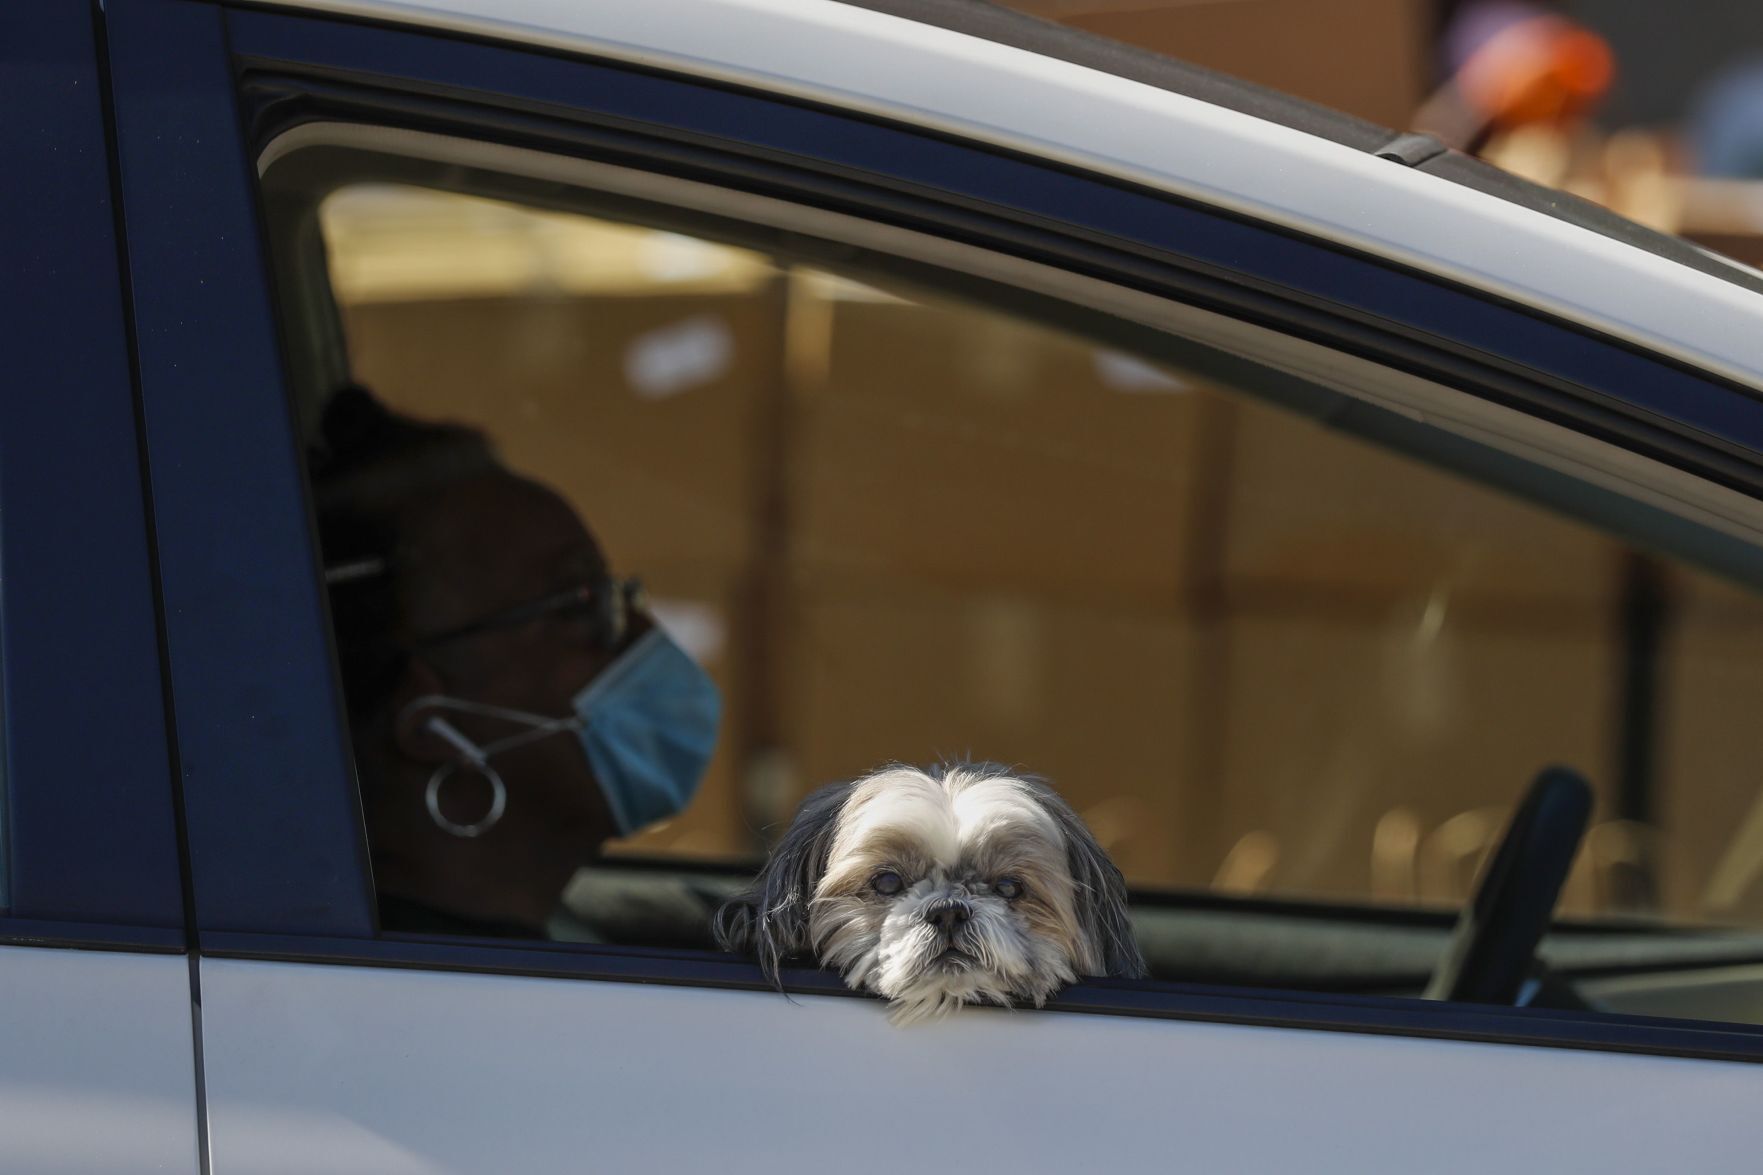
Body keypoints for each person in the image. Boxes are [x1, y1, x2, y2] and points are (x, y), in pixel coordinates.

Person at [312, 386, 720, 938]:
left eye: (616, 595)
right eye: (578, 604)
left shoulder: (551, 946)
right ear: (429, 723)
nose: (643, 635)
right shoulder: (439, 1003)